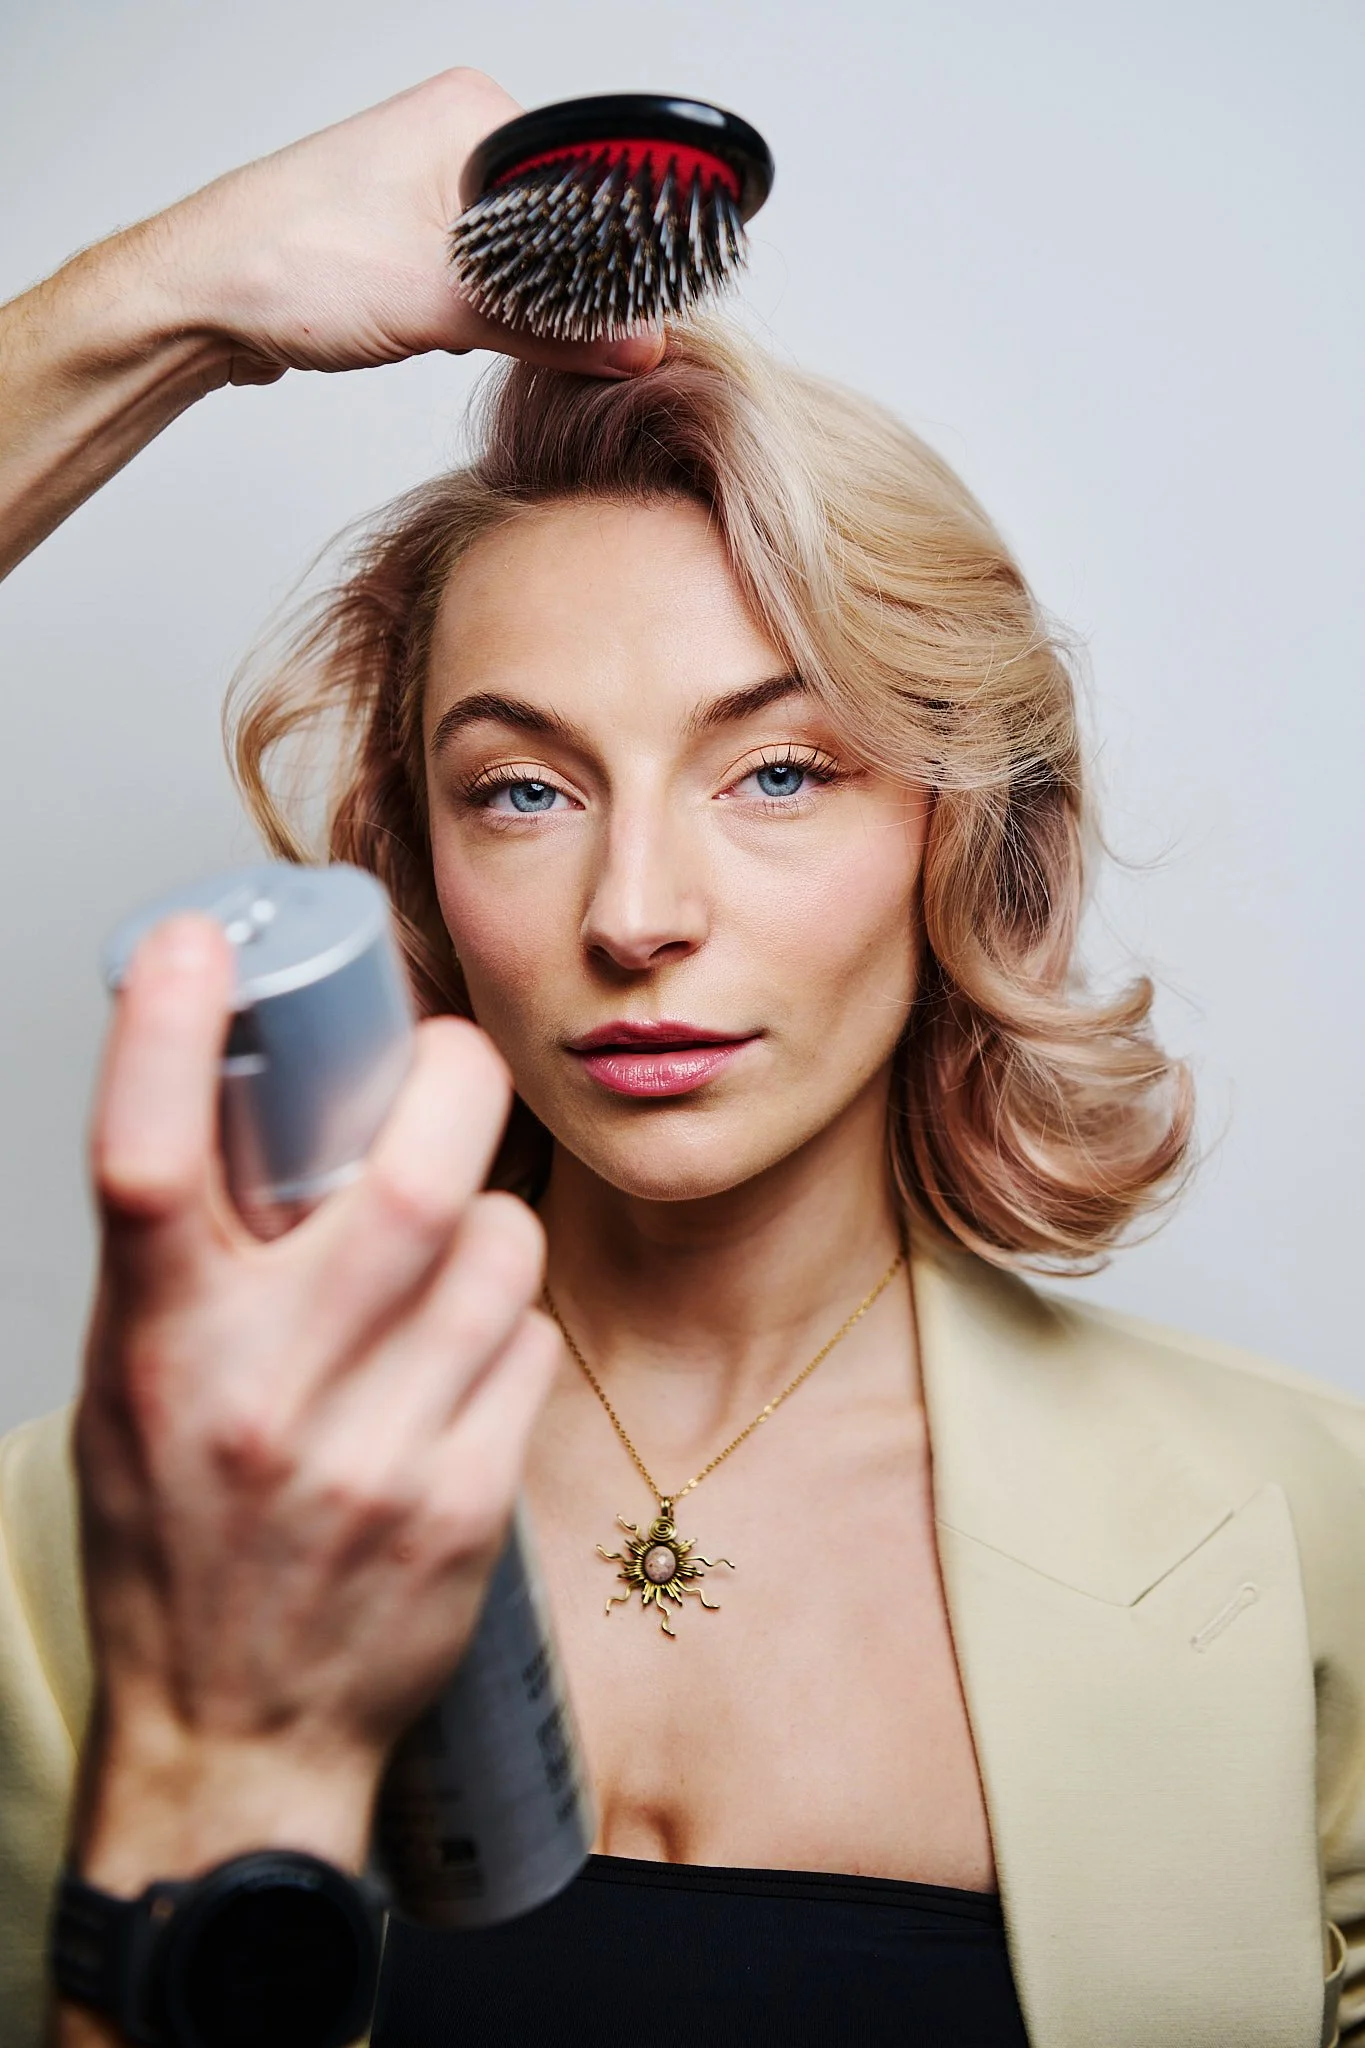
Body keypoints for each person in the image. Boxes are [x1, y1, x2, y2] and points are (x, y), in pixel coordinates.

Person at [0, 65, 1361, 2048]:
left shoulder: (1294, 1519)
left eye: (780, 769)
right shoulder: (115, 1522)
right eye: (525, 788)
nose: (636, 909)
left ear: (966, 833)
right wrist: (179, 295)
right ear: (420, 864)